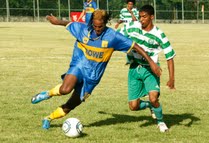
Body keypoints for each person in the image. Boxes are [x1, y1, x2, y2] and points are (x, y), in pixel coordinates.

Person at [31, 9, 162, 130]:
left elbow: (135, 46)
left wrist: (151, 62)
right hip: (79, 66)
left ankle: (48, 118)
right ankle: (47, 94)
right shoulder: (83, 29)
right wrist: (55, 21)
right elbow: (67, 23)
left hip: (93, 77)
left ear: (105, 23)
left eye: (100, 26)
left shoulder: (113, 36)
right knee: (65, 89)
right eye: (95, 26)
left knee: (72, 104)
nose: (97, 29)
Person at [119, 5, 176, 132]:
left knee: (154, 98)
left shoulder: (159, 34)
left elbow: (170, 57)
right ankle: (150, 105)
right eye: (140, 17)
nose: (141, 20)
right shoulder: (133, 27)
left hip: (151, 70)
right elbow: (116, 36)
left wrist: (172, 79)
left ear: (151, 17)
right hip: (134, 68)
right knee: (133, 106)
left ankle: (161, 122)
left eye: (144, 17)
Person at [115, 0, 139, 65]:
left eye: (131, 4)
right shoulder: (123, 10)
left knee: (133, 44)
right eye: (129, 4)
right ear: (127, 4)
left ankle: (133, 59)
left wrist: (131, 13)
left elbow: (135, 20)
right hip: (126, 29)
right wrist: (118, 23)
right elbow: (122, 19)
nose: (130, 6)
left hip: (133, 29)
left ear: (133, 5)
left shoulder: (135, 11)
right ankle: (130, 59)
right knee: (127, 44)